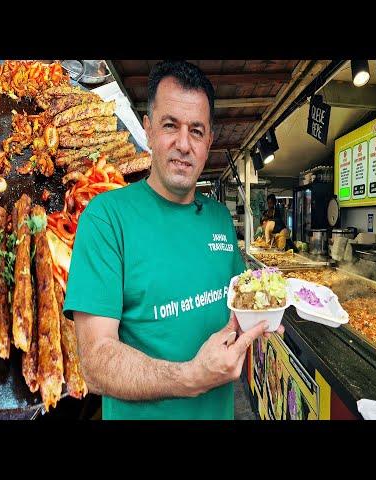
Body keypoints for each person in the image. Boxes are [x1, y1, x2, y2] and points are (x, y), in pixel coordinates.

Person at [63, 60, 283, 420]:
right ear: (148, 130)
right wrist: (190, 378)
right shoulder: (105, 218)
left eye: (196, 131)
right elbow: (96, 364)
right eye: (170, 126)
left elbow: (239, 308)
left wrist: (268, 312)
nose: (183, 144)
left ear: (209, 140)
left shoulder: (219, 219)